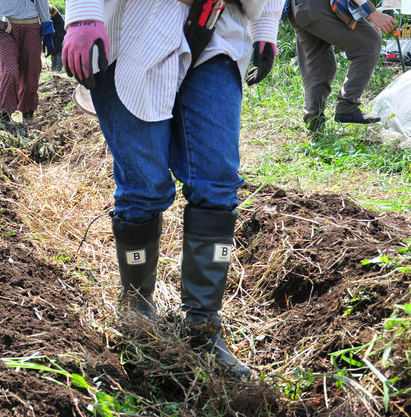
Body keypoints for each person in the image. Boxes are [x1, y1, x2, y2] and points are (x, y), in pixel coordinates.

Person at [62, 0, 283, 375]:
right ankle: (136, 305)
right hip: (137, 26)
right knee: (143, 188)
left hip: (218, 29)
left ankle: (203, 324)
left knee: (217, 183)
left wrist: (265, 29)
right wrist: (84, 13)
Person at [287, 0, 396, 131]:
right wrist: (372, 13)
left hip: (297, 9)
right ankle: (348, 105)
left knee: (320, 67)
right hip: (317, 5)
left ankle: (314, 127)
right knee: (369, 43)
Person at [0, 0, 55, 124]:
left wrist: (47, 27)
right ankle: (5, 115)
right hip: (3, 27)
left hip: (32, 26)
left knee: (31, 73)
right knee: (9, 72)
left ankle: (28, 114)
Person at [48, 6, 66, 72]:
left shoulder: (50, 8)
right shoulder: (48, 8)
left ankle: (58, 69)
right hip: (54, 30)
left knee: (58, 49)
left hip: (60, 30)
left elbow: (47, 20)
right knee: (53, 50)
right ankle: (53, 69)